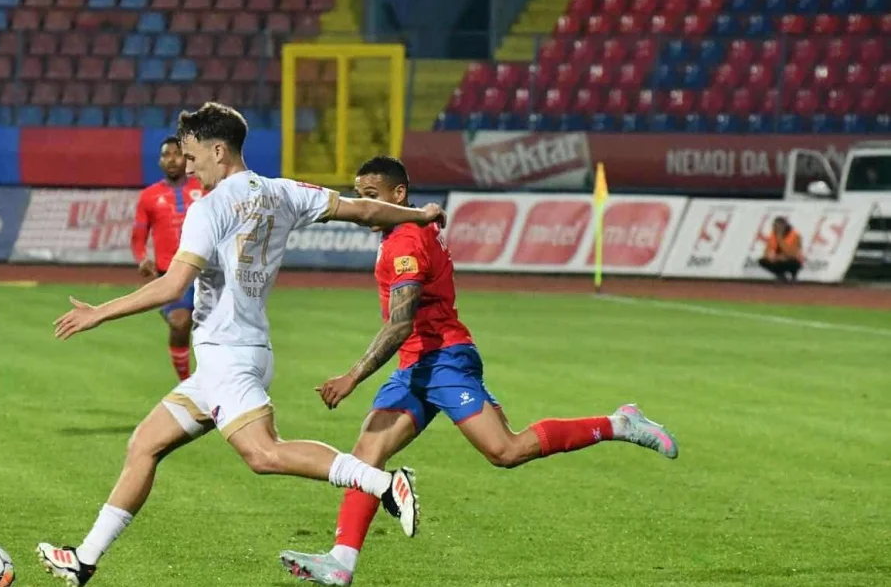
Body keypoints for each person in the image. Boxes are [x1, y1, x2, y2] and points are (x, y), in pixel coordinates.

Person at [37, 104, 446, 586]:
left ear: (218, 150)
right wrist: (417, 214)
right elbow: (361, 210)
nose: (188, 168)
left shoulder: (207, 208)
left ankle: (382, 484)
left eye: (192, 158)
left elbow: (172, 287)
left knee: (264, 454)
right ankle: (84, 559)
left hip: (229, 356)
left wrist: (98, 313)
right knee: (144, 445)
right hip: (230, 355)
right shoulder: (283, 191)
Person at [278, 157, 679, 587]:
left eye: (371, 196)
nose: (363, 205)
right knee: (366, 458)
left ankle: (620, 423)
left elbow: (400, 324)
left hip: (443, 360)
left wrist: (352, 376)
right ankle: (341, 562)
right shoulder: (407, 230)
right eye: (359, 195)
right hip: (417, 365)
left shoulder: (405, 243)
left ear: (398, 195)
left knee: (505, 450)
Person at [130, 135, 205, 381]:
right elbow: (138, 238)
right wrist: (142, 259)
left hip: (206, 273)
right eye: (166, 155)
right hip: (170, 276)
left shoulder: (203, 188)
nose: (172, 159)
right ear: (160, 161)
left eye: (177, 153)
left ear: (187, 158)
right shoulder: (149, 197)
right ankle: (186, 383)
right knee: (180, 322)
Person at [758, 216, 803, 283]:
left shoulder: (795, 235)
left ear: (784, 225)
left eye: (778, 225)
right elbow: (767, 249)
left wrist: (780, 238)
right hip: (778, 259)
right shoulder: (773, 234)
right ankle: (780, 275)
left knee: (792, 262)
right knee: (763, 261)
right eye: (775, 225)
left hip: (792, 259)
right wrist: (769, 256)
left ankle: (793, 276)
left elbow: (792, 254)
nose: (776, 227)